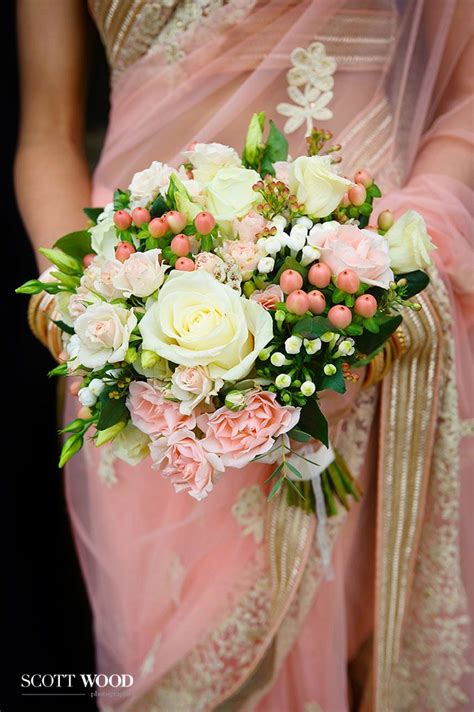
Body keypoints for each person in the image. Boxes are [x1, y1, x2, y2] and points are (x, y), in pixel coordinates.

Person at [15, 1, 473, 710]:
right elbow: (46, 130)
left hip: (357, 311)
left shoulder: (377, 295)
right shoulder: (111, 318)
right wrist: (67, 296)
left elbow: (466, 93)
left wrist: (404, 269)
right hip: (139, 325)